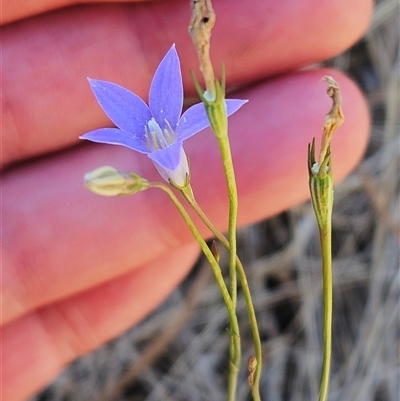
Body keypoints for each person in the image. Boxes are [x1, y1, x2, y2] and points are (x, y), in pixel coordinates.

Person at [2, 1, 372, 400]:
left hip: (176, 166)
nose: (161, 139)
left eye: (163, 138)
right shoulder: (153, 139)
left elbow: (199, 119)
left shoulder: (188, 123)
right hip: (169, 169)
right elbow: (116, 133)